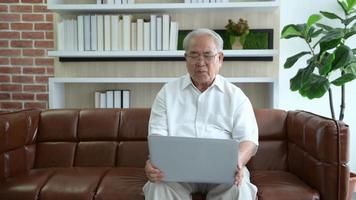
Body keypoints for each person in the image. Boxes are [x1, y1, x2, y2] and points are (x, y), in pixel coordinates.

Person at [143, 28, 259, 200]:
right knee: (158, 187)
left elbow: (248, 140)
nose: (200, 62)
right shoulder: (167, 93)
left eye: (207, 55)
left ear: (220, 59)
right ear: (186, 59)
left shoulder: (236, 96)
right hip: (177, 171)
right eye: (194, 55)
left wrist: (237, 163)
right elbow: (157, 136)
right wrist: (152, 163)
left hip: (223, 172)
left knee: (239, 189)